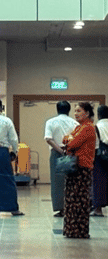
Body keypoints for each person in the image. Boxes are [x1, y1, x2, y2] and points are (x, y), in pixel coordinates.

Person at [62, 101, 97, 239]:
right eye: (75, 111)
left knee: (79, 200)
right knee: (71, 199)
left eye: (79, 111)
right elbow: (65, 139)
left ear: (87, 113)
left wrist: (70, 141)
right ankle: (71, 230)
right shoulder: (79, 127)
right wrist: (69, 140)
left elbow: (71, 143)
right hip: (75, 167)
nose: (75, 114)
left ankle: (79, 230)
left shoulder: (88, 128)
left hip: (82, 167)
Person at [44, 100, 78, 217]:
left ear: (57, 109)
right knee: (70, 181)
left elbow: (48, 139)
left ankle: (60, 208)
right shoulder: (75, 123)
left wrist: (60, 150)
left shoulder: (51, 122)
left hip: (56, 153)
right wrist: (67, 150)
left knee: (57, 182)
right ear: (69, 110)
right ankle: (71, 207)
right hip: (71, 153)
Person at [93, 105, 108, 217]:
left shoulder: (97, 126)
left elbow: (95, 144)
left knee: (99, 181)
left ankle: (98, 209)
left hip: (100, 156)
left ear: (98, 114)